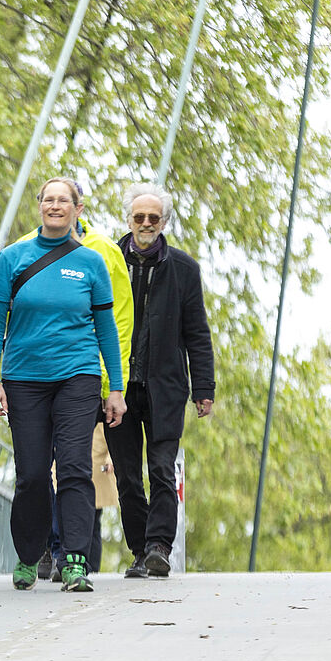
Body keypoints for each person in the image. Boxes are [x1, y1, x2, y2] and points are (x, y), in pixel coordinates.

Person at [0, 210, 133, 581]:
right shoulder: (15, 256)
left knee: (76, 467)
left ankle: (75, 558)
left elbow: (110, 328)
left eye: (64, 200)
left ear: (77, 209)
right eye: (49, 199)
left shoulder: (95, 259)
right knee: (31, 473)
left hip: (78, 377)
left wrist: (116, 389)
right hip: (24, 378)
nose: (56, 206)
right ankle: (30, 554)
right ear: (41, 206)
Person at [105, 183, 215, 578]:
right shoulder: (107, 262)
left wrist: (204, 389)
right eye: (140, 217)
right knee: (128, 476)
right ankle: (139, 549)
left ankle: (159, 547)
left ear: (164, 221)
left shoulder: (184, 269)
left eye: (154, 217)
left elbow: (197, 333)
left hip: (166, 386)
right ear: (129, 220)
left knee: (162, 469)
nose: (146, 223)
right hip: (118, 387)